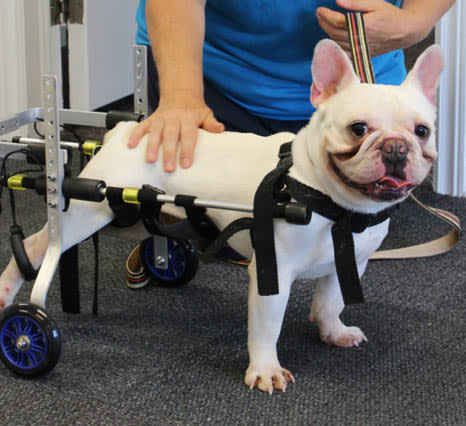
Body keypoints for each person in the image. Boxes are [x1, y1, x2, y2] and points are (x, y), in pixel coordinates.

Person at [125, 0, 455, 288]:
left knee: (351, 221)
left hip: (363, 81)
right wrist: (181, 96)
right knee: (230, 231)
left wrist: (414, 22)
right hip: (217, 75)